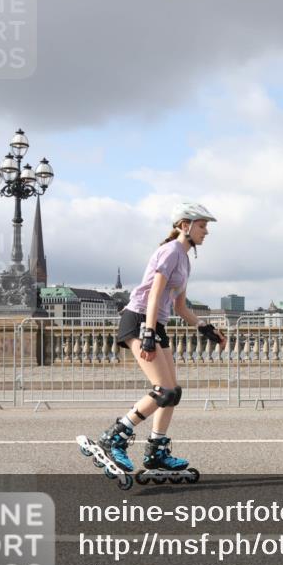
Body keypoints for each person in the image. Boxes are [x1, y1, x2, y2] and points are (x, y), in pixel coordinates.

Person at [97, 202, 226, 475]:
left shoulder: (185, 259)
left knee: (173, 393)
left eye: (206, 226)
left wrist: (205, 328)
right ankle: (114, 437)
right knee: (163, 390)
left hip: (156, 323)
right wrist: (147, 333)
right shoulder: (169, 252)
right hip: (140, 319)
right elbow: (154, 295)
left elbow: (180, 307)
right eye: (202, 226)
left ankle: (156, 450)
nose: (206, 232)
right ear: (184, 226)